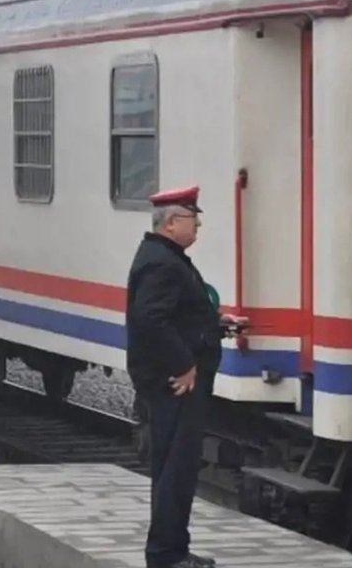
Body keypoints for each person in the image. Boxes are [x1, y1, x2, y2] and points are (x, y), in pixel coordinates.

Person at [125, 185, 243, 568]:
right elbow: (151, 320)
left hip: (174, 381)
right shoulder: (163, 263)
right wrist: (183, 365)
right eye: (194, 219)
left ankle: (172, 549)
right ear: (172, 222)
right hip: (175, 384)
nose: (198, 227)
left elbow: (178, 315)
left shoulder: (165, 257)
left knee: (175, 469)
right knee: (176, 470)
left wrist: (217, 323)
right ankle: (166, 555)